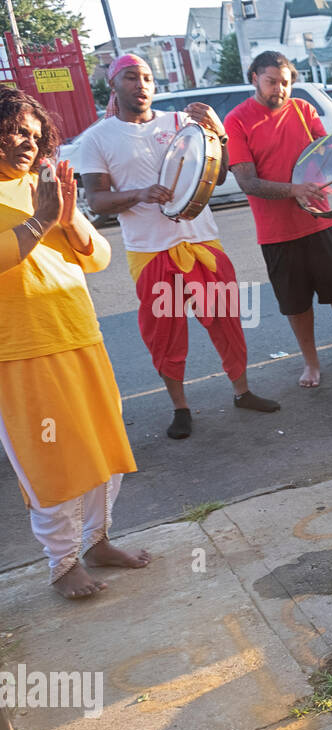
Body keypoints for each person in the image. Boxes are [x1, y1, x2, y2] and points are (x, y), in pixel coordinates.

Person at [79, 54, 280, 440]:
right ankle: (181, 408)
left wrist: (219, 135)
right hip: (151, 250)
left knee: (227, 323)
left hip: (201, 241)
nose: (142, 85)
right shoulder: (97, 138)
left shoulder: (181, 123)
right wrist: (140, 194)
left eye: (148, 78)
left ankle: (242, 392)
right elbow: (97, 201)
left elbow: (217, 177)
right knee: (165, 334)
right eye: (132, 78)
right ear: (114, 84)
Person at [0, 89, 150, 598]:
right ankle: (62, 566)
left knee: (102, 451)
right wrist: (42, 219)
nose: (27, 143)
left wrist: (66, 217)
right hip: (19, 352)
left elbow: (99, 256)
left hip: (80, 334)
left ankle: (98, 540)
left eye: (35, 135)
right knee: (53, 461)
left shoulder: (41, 184)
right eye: (16, 130)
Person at [225, 51, 332, 388]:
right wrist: (293, 190)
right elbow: (247, 182)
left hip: (321, 221)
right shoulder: (237, 120)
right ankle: (311, 363)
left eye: (285, 83)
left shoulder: (303, 110)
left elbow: (330, 157)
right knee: (296, 304)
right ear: (254, 78)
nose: (280, 89)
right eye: (272, 82)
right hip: (276, 233)